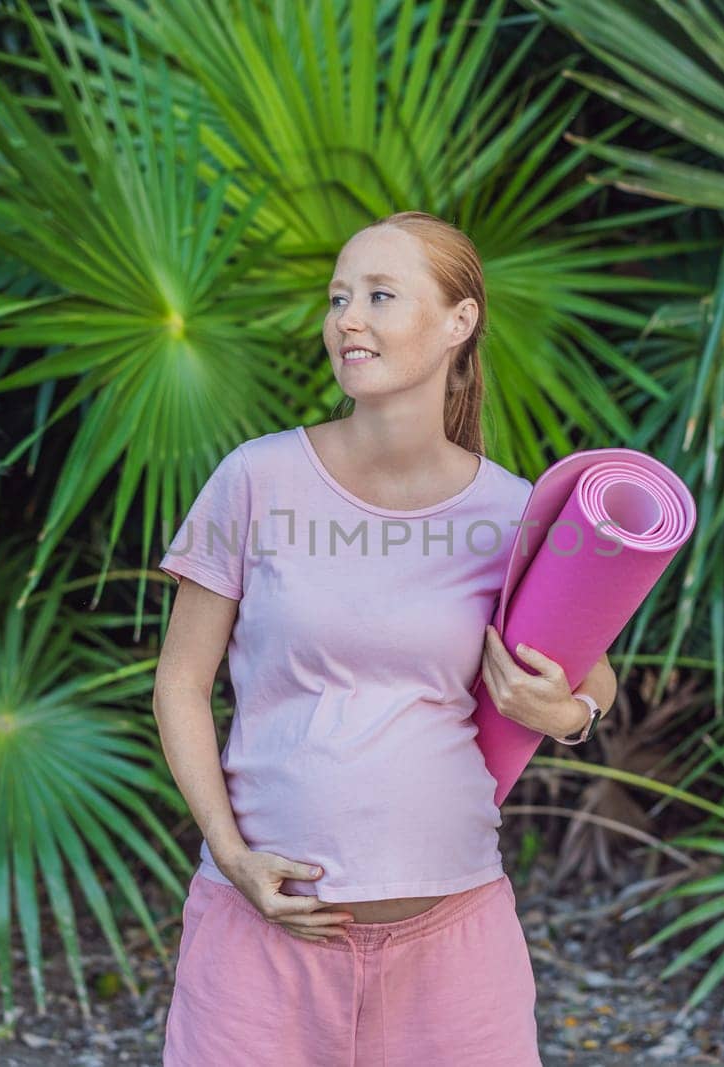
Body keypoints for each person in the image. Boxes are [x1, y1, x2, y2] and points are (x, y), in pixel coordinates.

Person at [152, 210, 619, 1066]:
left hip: (455, 952)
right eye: (337, 298)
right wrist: (230, 851)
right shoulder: (257, 478)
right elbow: (181, 683)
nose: (346, 320)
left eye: (377, 295)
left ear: (458, 321)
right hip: (261, 947)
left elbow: (594, 674)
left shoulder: (511, 512)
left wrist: (570, 709)